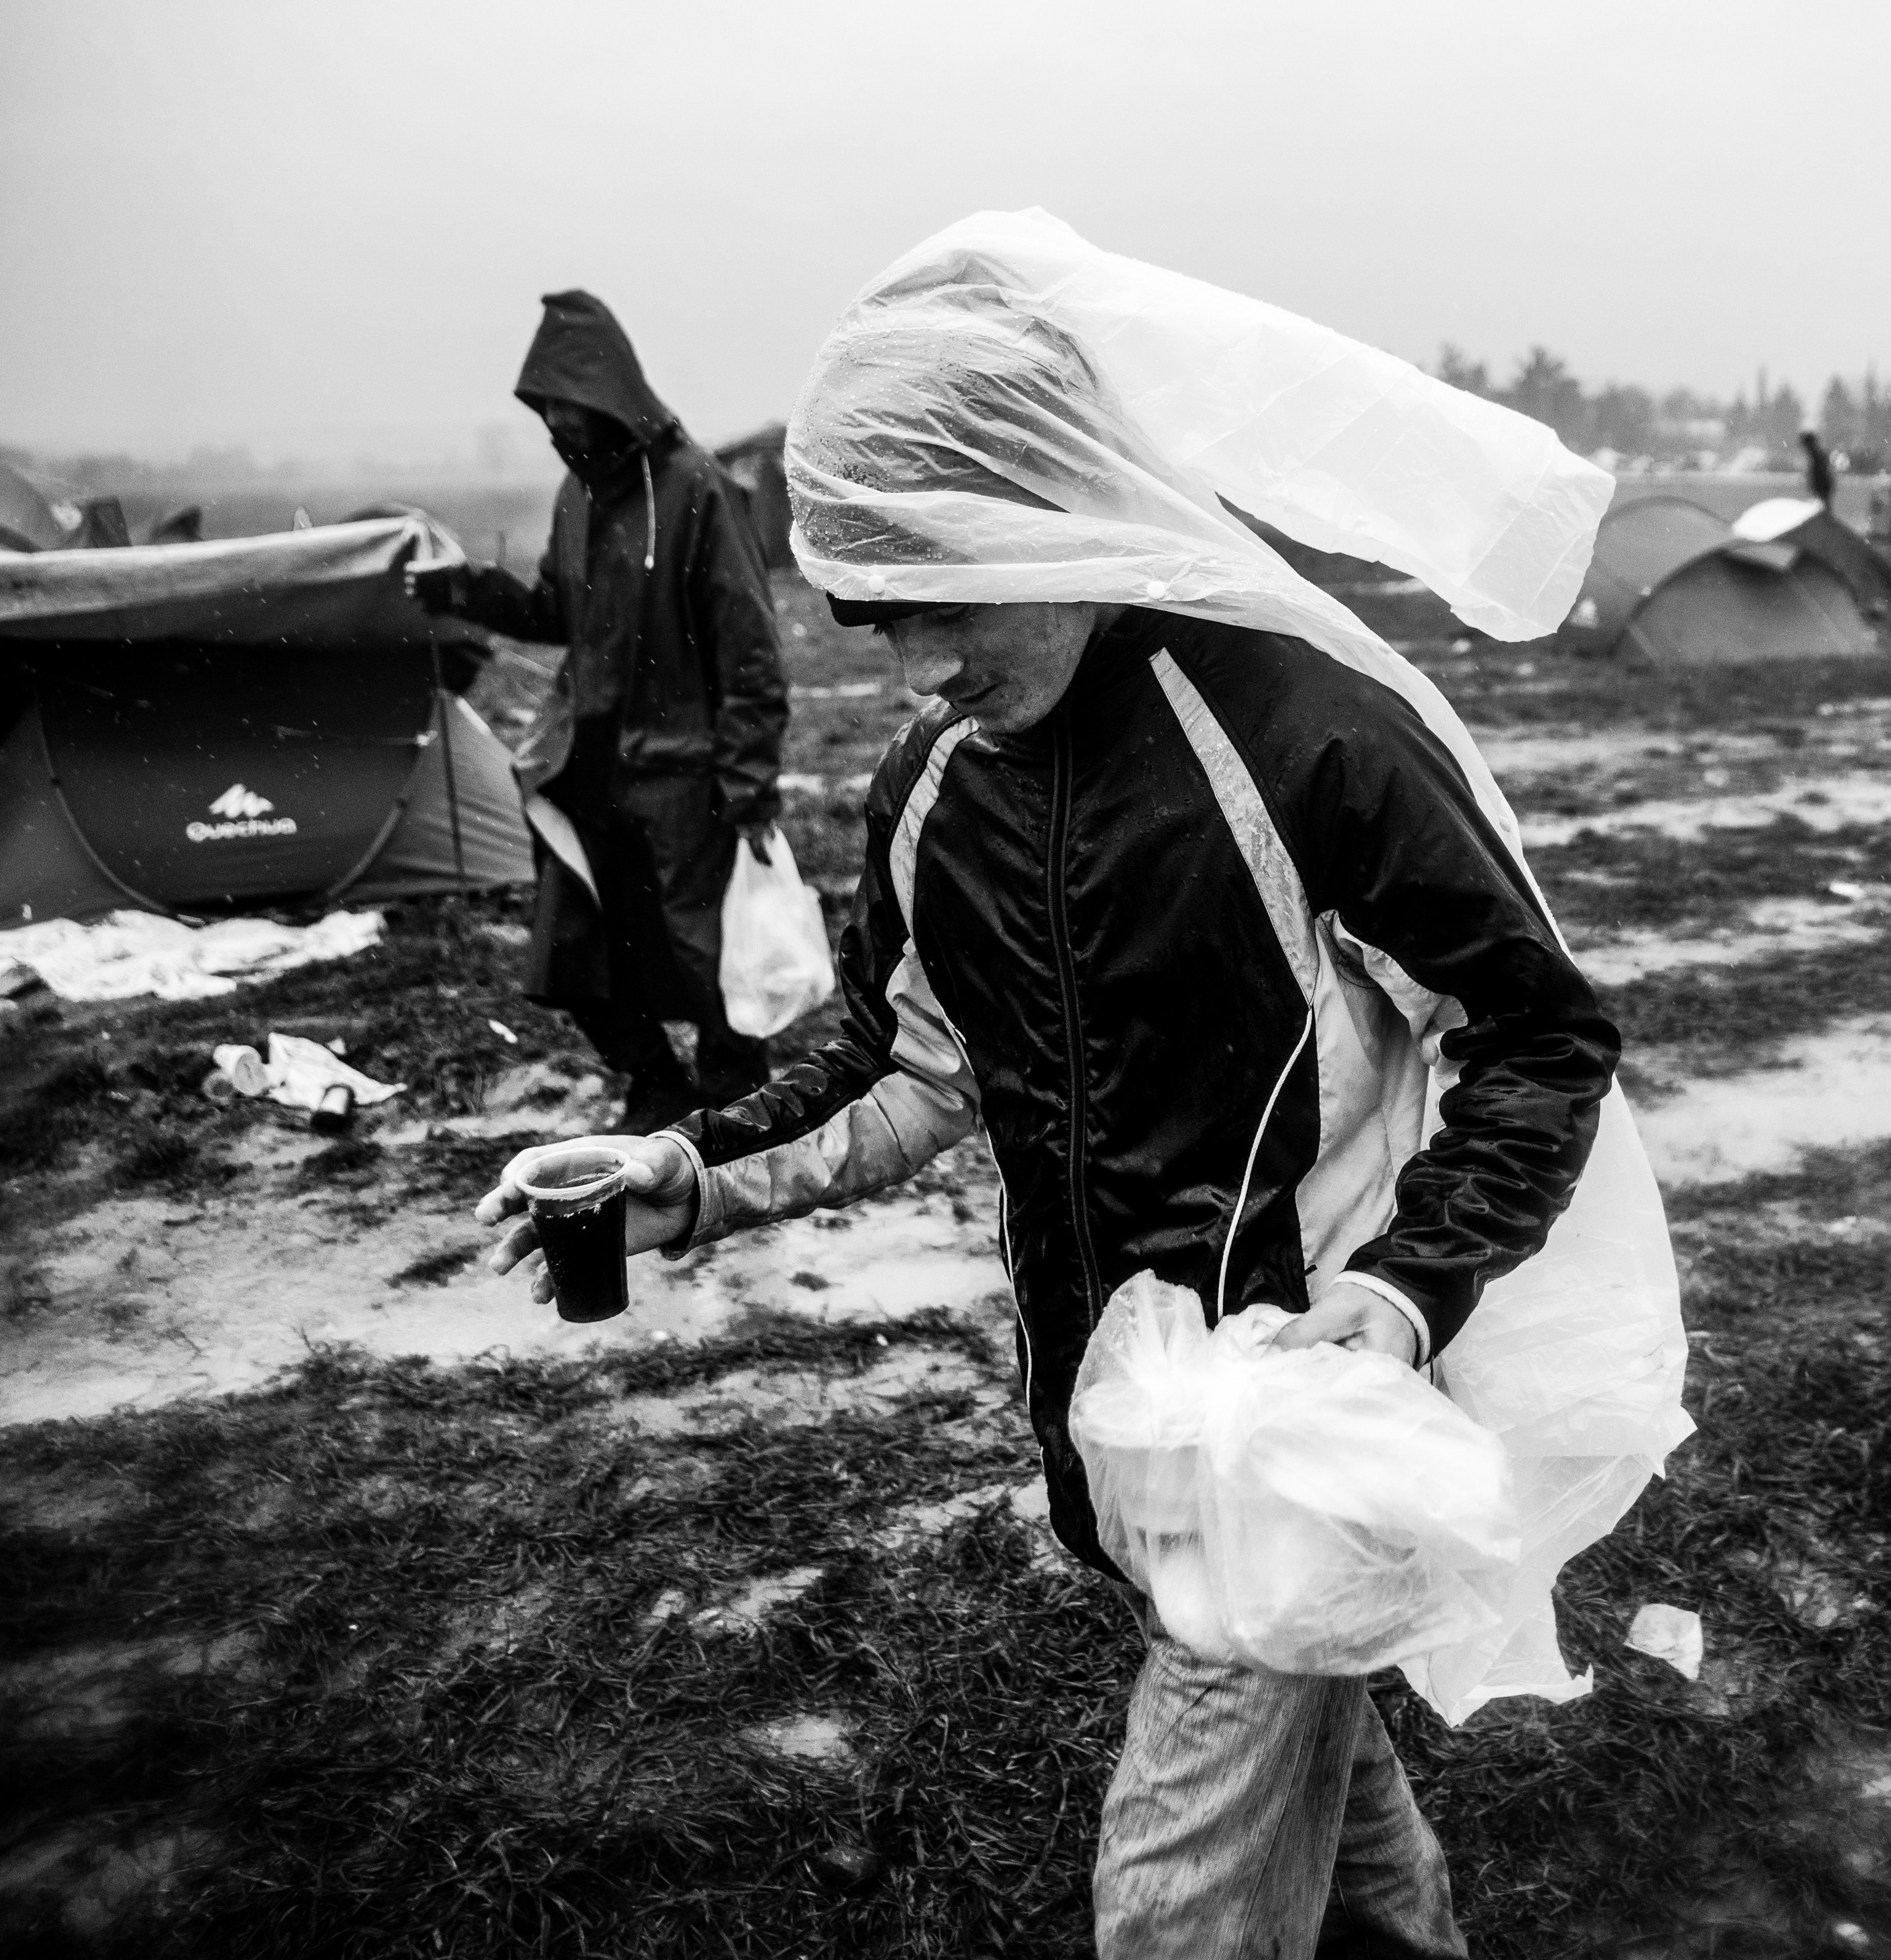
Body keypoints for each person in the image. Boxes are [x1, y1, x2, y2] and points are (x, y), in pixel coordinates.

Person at [473, 212, 1681, 1957]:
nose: (922, 664)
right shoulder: (935, 782)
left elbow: (1538, 1029)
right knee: (1325, 1795)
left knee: (1173, 1900)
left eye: (939, 604)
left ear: (1035, 508)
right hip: (1113, 1423)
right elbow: (903, 1063)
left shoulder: (1304, 733)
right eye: (885, 623)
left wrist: (1409, 1294)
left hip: (1288, 1418)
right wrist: (694, 1169)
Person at [417, 290, 789, 1130]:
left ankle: (734, 1099)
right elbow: (559, 610)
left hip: (685, 771)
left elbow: (750, 648)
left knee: (708, 952)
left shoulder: (699, 492)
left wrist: (748, 776)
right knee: (577, 943)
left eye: (564, 403)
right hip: (587, 764)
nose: (554, 421)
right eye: (542, 403)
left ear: (606, 395)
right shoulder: (576, 497)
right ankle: (652, 1079)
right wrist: (463, 588)